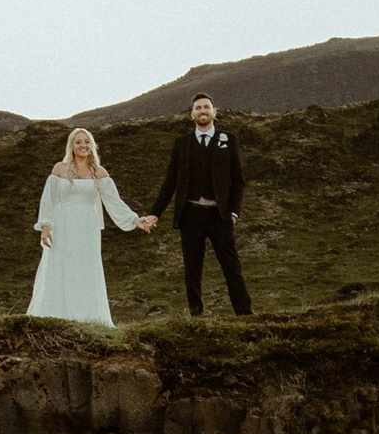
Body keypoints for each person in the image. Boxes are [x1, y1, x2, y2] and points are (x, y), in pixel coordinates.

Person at [27, 127, 154, 323]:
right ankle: (56, 314)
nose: (83, 145)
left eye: (86, 142)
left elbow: (114, 202)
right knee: (60, 264)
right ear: (71, 146)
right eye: (78, 142)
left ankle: (88, 316)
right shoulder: (59, 169)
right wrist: (45, 226)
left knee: (85, 267)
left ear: (92, 145)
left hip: (87, 226)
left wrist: (135, 220)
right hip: (63, 224)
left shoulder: (99, 173)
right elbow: (49, 200)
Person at [154, 93, 252, 317]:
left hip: (220, 215)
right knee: (192, 269)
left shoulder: (229, 139)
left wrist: (234, 212)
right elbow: (170, 183)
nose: (202, 111)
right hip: (191, 215)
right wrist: (155, 213)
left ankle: (245, 314)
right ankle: (196, 315)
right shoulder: (182, 144)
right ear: (192, 114)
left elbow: (238, 181)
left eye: (206, 107)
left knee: (231, 267)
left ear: (214, 112)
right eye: (198, 108)